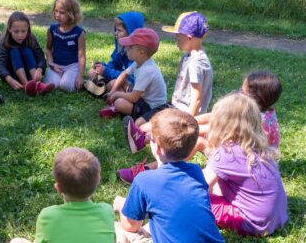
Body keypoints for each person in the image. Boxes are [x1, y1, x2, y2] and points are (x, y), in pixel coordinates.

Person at [114, 109, 226, 243]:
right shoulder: (196, 171)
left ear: (157, 148)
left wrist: (122, 206)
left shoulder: (144, 180)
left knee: (119, 229)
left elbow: (130, 226)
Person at [118, 71, 282, 183]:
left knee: (197, 140)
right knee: (198, 129)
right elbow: (214, 117)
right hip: (242, 158)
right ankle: (144, 139)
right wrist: (187, 121)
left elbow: (215, 130)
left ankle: (149, 167)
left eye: (242, 91)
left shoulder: (256, 121)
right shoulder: (261, 112)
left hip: (248, 168)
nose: (238, 92)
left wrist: (186, 129)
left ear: (253, 98)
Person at [122, 12, 212, 153]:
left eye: (178, 35)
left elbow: (197, 97)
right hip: (175, 105)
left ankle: (141, 140)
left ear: (189, 38)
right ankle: (138, 139)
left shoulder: (197, 64)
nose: (175, 38)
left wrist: (187, 124)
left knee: (151, 128)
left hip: (184, 112)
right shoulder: (189, 56)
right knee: (139, 123)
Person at [203, 94, 287, 236]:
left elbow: (199, 187)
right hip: (277, 218)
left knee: (190, 200)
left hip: (252, 223)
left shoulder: (226, 153)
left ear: (219, 122)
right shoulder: (260, 146)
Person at [98, 28, 168, 120]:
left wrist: (116, 94)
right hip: (141, 97)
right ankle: (118, 106)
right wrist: (113, 91)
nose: (126, 48)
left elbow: (133, 98)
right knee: (113, 84)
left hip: (151, 108)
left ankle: (117, 108)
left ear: (141, 53)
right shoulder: (139, 61)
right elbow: (124, 74)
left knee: (119, 102)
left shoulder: (147, 70)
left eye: (130, 47)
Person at [0, 11, 54, 96]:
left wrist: (39, 69)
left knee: (27, 50)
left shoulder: (31, 38)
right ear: (9, 29)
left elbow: (40, 57)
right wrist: (9, 79)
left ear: (28, 29)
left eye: (23, 31)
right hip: (14, 75)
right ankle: (27, 85)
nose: (20, 35)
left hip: (31, 72)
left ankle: (37, 83)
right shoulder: (4, 41)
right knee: (14, 51)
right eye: (16, 31)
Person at [88, 12, 145, 91]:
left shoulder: (136, 55)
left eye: (119, 30)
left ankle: (102, 89)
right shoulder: (120, 48)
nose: (115, 33)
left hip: (129, 85)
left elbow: (131, 79)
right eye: (115, 30)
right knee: (92, 72)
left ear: (131, 32)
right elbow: (114, 64)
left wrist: (106, 71)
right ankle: (102, 88)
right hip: (116, 76)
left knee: (113, 83)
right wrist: (102, 66)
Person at [44, 0, 86, 92]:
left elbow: (82, 56)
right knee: (52, 85)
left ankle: (81, 81)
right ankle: (63, 77)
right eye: (56, 11)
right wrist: (51, 63)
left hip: (72, 65)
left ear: (72, 13)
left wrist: (80, 75)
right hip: (56, 65)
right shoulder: (52, 29)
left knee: (65, 86)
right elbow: (48, 49)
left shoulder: (79, 33)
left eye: (62, 12)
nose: (57, 15)